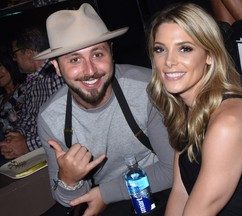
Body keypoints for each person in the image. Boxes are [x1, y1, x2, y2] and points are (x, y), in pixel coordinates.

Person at [146, 3, 242, 216]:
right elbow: (181, 191)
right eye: (160, 49)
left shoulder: (229, 122)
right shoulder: (185, 111)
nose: (169, 61)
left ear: (209, 55)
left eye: (185, 48)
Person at [35, 3, 173, 216]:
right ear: (56, 67)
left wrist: (105, 194)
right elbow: (66, 199)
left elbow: (172, 169)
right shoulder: (51, 117)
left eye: (97, 54)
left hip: (156, 188)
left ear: (111, 52)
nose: (90, 71)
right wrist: (70, 180)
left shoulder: (146, 89)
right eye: (74, 59)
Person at [0, 26, 65, 159]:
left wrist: (28, 145)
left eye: (15, 54)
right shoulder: (33, 80)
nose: (14, 59)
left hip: (55, 154)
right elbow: (27, 118)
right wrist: (16, 136)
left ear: (29, 53)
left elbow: (65, 128)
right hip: (38, 152)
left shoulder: (55, 75)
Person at [0, 55, 25, 164]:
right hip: (4, 150)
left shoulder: (25, 88)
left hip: (22, 144)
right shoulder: (1, 98)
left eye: (0, 67)